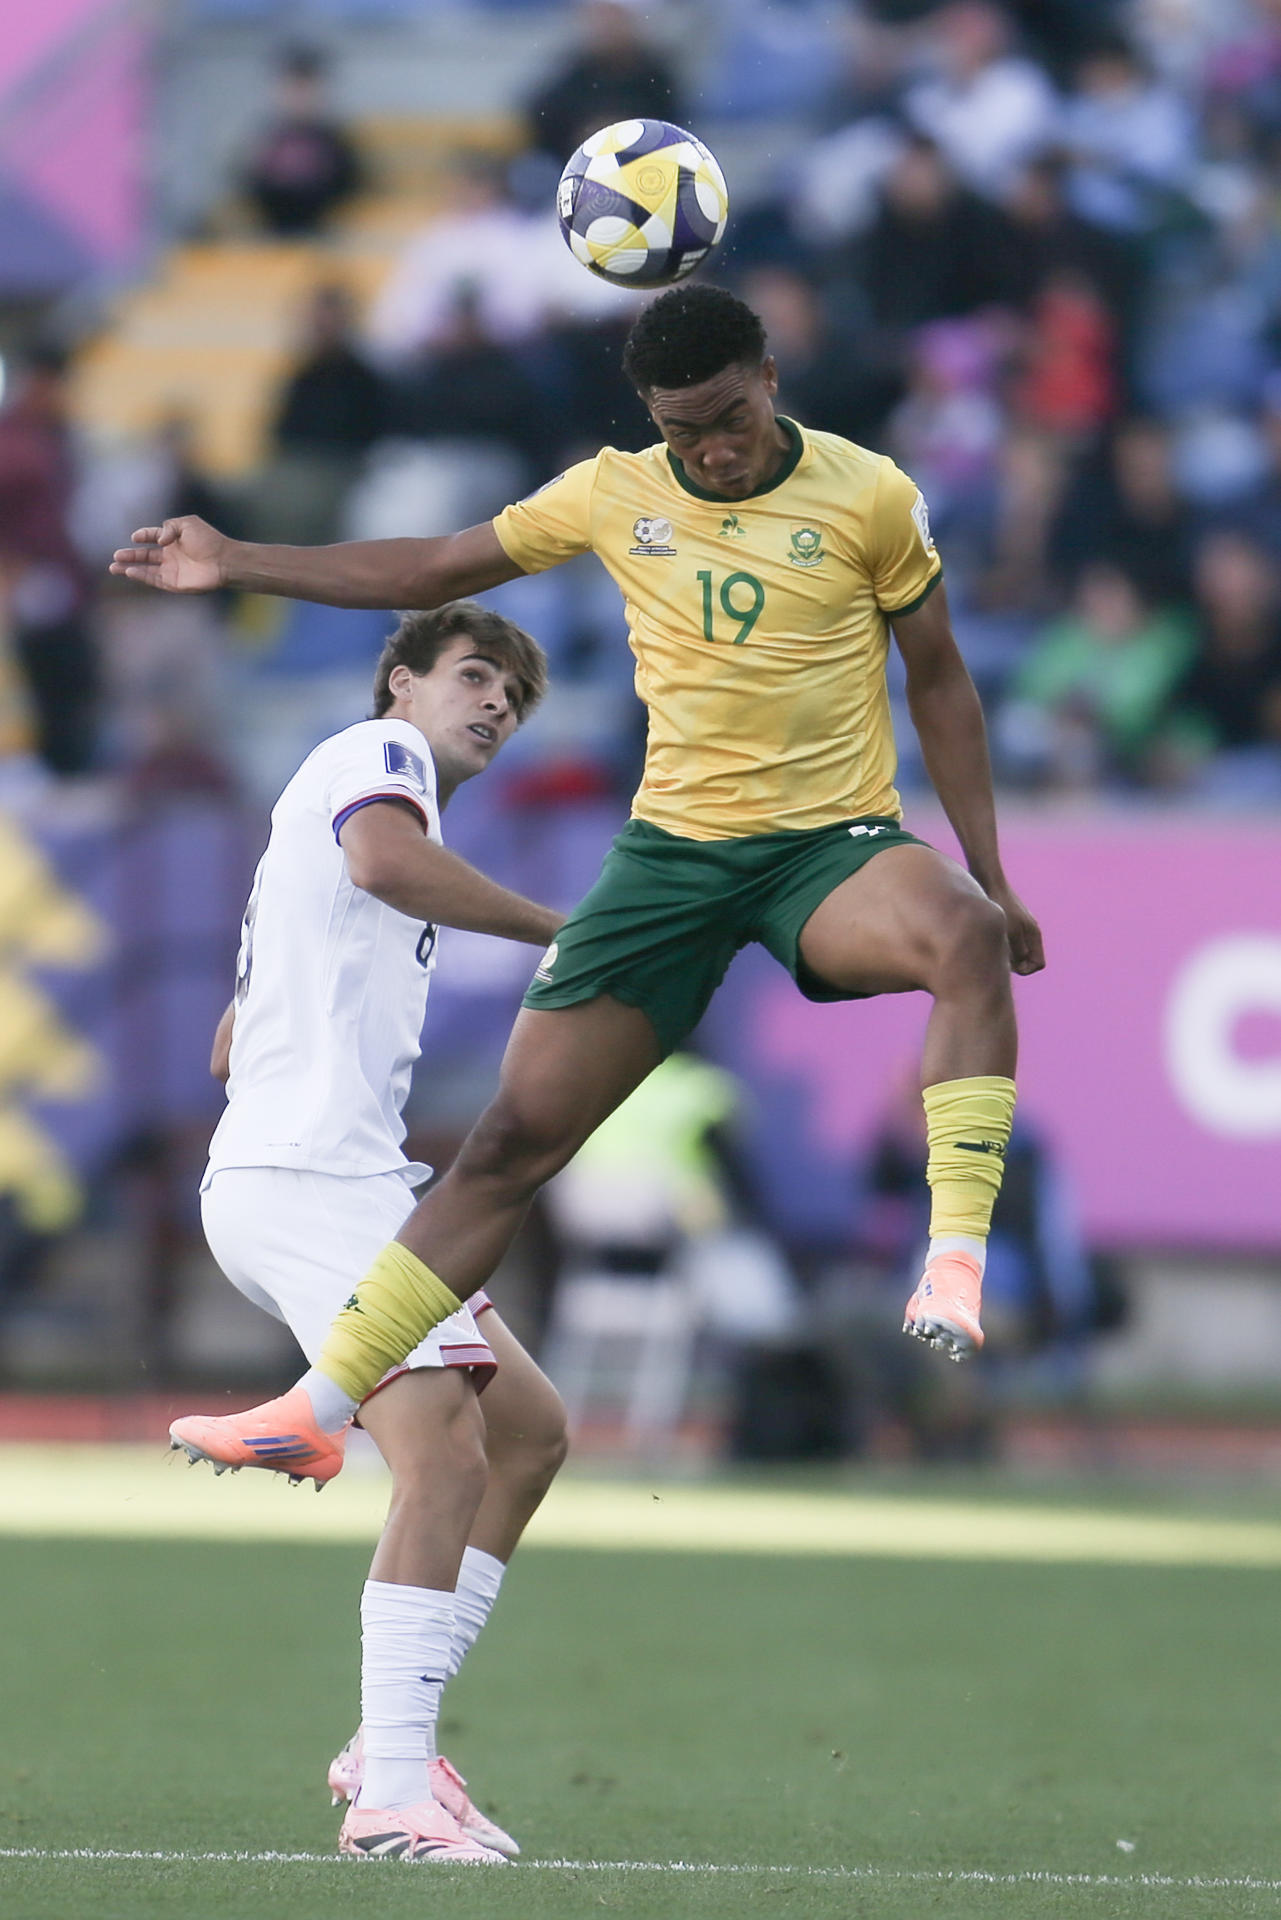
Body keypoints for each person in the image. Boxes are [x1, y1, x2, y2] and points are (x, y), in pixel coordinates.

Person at [111, 281, 1045, 1490]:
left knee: (965, 932)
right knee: (509, 1144)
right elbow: (431, 567)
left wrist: (993, 870)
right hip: (670, 859)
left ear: (770, 379)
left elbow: (941, 679)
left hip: (830, 844)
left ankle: (954, 1262)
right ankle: (317, 1407)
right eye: (681, 430)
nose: (710, 451)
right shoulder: (615, 493)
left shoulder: (871, 495)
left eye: (728, 418)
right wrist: (238, 559)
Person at [185, 601, 569, 1865]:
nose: (497, 703)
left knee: (527, 1432)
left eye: (515, 695)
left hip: (336, 1179)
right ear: (400, 682)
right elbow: (384, 866)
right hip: (311, 1181)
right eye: (476, 674)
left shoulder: (367, 809)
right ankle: (392, 1796)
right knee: (445, 1457)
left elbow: (227, 1043)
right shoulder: (377, 759)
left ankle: (385, 1743)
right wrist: (562, 928)